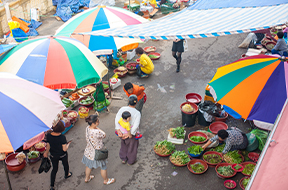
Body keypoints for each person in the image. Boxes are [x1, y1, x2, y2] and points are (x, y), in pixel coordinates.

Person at [82, 114, 115, 185]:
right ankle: (106, 180)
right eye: (97, 121)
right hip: (97, 153)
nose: (99, 122)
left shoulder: (87, 128)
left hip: (88, 151)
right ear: (93, 123)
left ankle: (87, 178)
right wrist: (97, 128)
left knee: (89, 165)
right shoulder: (96, 131)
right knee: (103, 166)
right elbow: (104, 134)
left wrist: (94, 126)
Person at [43, 121, 72, 190]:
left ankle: (52, 186)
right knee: (65, 164)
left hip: (53, 156)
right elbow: (64, 149)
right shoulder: (62, 137)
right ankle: (67, 174)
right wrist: (68, 144)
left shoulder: (49, 135)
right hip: (62, 155)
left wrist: (46, 152)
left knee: (54, 169)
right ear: (62, 129)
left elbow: (48, 145)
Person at [115, 95, 141, 165]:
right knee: (132, 147)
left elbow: (117, 119)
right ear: (136, 103)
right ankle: (131, 161)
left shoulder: (122, 109)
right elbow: (135, 126)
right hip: (130, 135)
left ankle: (123, 159)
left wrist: (118, 130)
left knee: (123, 145)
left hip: (121, 132)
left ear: (128, 101)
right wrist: (129, 134)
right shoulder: (137, 113)